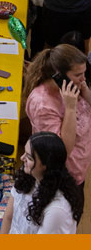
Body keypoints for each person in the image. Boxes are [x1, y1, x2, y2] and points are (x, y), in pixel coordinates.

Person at [25, 44, 91, 196]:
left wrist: (86, 92)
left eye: (84, 73)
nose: (83, 79)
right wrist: (70, 108)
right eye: (78, 74)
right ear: (58, 75)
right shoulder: (42, 104)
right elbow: (62, 151)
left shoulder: (74, 87)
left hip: (78, 171)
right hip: (61, 179)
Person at [0, 132, 82, 234]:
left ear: (45, 165)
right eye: (25, 153)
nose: (21, 158)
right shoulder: (27, 174)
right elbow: (8, 218)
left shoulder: (57, 210)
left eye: (29, 158)